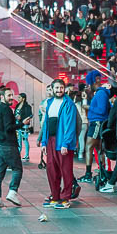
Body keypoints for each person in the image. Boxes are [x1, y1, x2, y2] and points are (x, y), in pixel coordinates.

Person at [40, 78, 81, 208]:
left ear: (64, 89)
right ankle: (55, 196)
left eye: (61, 88)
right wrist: (43, 142)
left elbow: (70, 125)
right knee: (52, 169)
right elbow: (46, 124)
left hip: (63, 142)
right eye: (56, 88)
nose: (59, 90)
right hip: (51, 141)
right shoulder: (49, 102)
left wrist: (66, 143)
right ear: (52, 89)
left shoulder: (69, 104)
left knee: (66, 170)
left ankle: (65, 198)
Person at [0, 85, 25, 206]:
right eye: (9, 95)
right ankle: (12, 192)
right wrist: (21, 123)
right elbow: (9, 128)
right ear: (2, 97)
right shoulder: (7, 110)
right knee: (17, 169)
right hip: (9, 145)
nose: (11, 98)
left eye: (11, 95)